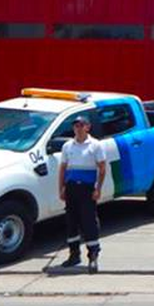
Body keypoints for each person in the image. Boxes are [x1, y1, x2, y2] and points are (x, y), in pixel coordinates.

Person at [57, 114, 107, 273]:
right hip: (71, 188)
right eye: (75, 126)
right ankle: (74, 255)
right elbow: (63, 168)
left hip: (87, 189)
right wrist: (61, 188)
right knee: (71, 222)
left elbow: (102, 168)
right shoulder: (67, 146)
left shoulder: (95, 145)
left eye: (80, 125)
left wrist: (98, 189)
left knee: (89, 222)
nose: (77, 128)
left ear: (87, 127)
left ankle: (93, 256)